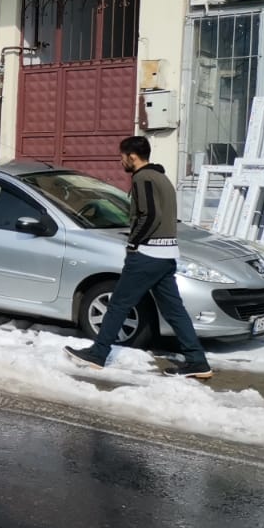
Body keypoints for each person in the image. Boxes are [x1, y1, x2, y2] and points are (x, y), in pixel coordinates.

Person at [67, 135, 212, 380]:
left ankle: (98, 354)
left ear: (132, 157)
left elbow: (150, 215)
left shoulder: (142, 178)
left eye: (122, 157)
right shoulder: (161, 178)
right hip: (166, 255)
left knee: (118, 304)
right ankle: (197, 361)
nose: (120, 161)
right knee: (175, 311)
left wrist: (134, 242)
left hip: (147, 255)